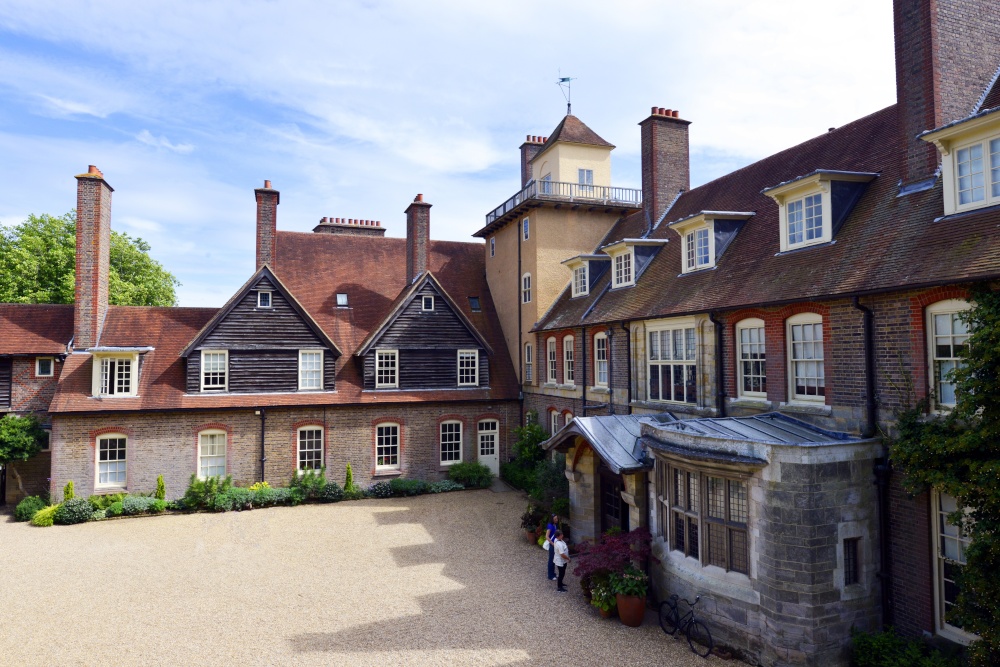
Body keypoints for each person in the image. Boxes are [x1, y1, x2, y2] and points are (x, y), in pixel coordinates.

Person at [545, 514, 559, 580]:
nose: (557, 520)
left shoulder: (555, 525)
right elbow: (547, 536)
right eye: (555, 519)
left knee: (554, 559)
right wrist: (552, 543)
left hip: (555, 543)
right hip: (552, 544)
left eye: (557, 518)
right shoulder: (550, 526)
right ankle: (550, 575)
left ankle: (553, 573)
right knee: (551, 560)